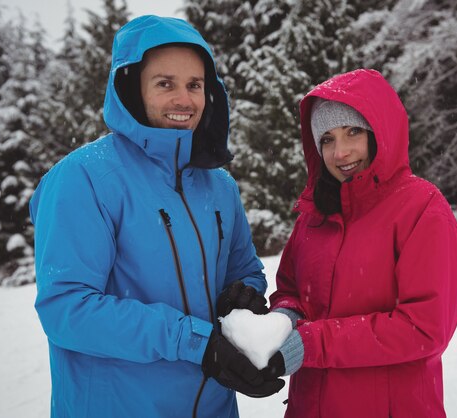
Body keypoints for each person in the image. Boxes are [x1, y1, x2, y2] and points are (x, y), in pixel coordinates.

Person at [29, 15, 283, 418]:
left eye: (194, 85)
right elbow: (68, 310)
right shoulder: (84, 178)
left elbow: (245, 269)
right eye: (165, 83)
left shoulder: (220, 186)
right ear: (131, 87)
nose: (184, 99)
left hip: (214, 407)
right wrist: (196, 342)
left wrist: (242, 296)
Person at [263, 69, 457, 417]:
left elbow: (423, 327)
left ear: (379, 132)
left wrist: (313, 343)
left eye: (353, 132)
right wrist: (284, 317)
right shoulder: (314, 216)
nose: (340, 152)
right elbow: (290, 290)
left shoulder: (421, 208)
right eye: (327, 139)